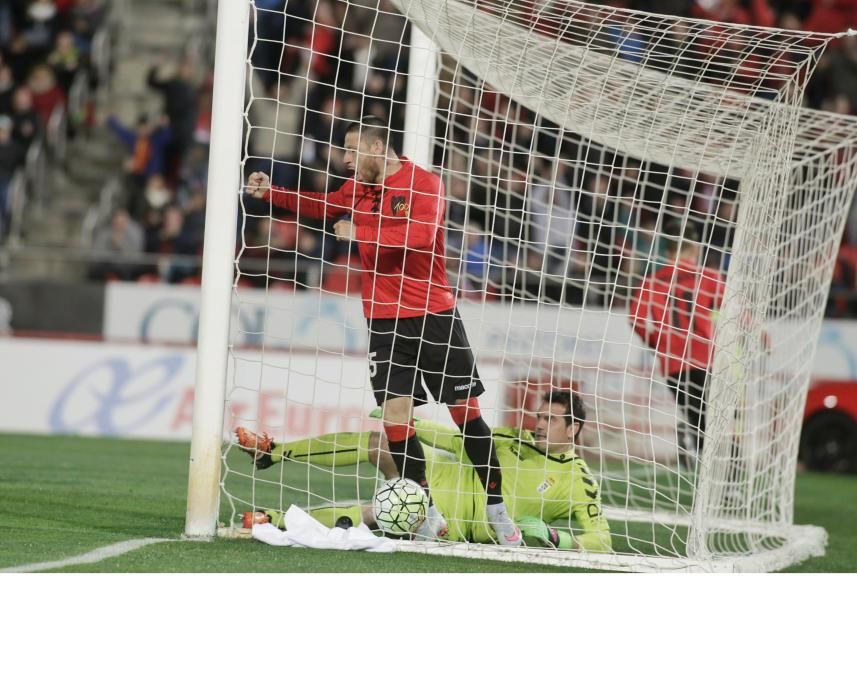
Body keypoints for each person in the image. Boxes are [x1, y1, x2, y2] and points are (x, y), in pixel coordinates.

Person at [245, 115, 521, 545]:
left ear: (377, 149)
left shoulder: (424, 184)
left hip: (433, 314)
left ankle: (497, 508)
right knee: (396, 417)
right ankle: (425, 510)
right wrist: (272, 194)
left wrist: (362, 230)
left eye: (353, 151)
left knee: (465, 413)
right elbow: (325, 203)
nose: (346, 160)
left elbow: (421, 234)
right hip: (383, 320)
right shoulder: (360, 188)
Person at [236, 390, 612, 552]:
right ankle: (274, 452)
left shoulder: (579, 481)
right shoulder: (514, 436)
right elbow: (453, 439)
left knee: (377, 514)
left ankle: (273, 520)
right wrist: (407, 422)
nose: (540, 425)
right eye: (539, 416)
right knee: (380, 442)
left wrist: (555, 537)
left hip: (452, 522)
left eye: (550, 419)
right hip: (438, 474)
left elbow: (601, 540)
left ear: (573, 427)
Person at [629, 220, 726, 467]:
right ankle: (712, 471)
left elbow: (635, 319)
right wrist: (758, 330)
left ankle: (691, 438)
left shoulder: (652, 281)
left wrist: (658, 343)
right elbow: (734, 307)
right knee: (711, 419)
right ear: (695, 250)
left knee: (696, 415)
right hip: (704, 357)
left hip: (672, 362)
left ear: (667, 251)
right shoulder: (708, 276)